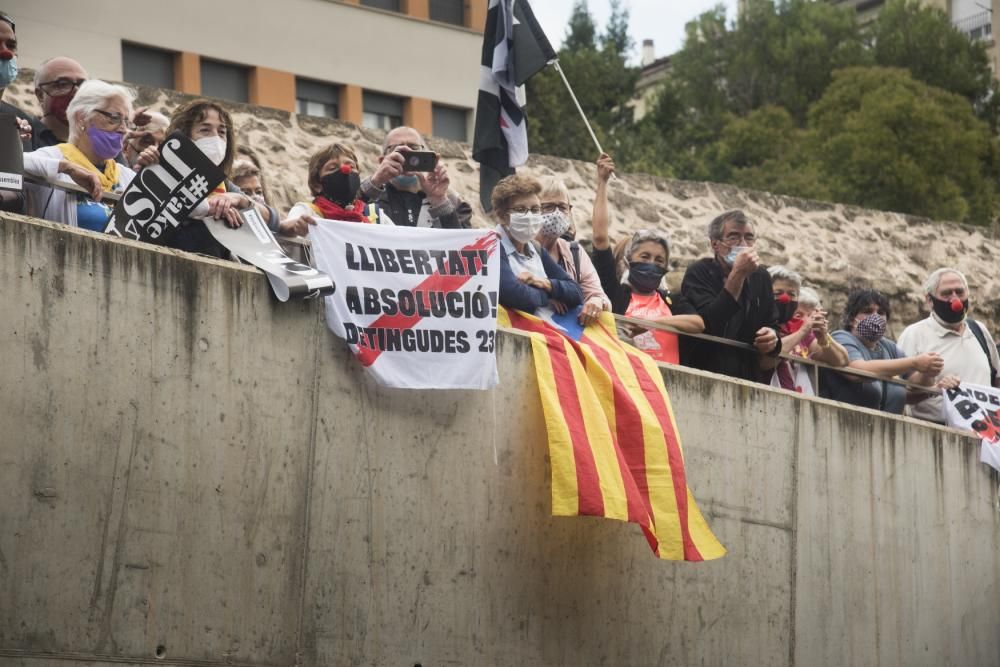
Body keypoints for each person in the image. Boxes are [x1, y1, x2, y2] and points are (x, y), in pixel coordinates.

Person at [132, 99, 282, 257]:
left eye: (222, 132)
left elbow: (272, 219)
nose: (216, 138)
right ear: (183, 135)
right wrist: (211, 212)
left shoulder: (222, 185)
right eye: (205, 130)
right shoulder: (158, 167)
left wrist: (238, 199)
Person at [680, 209, 780, 382]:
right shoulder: (699, 272)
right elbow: (709, 323)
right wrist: (738, 274)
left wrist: (772, 338)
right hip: (702, 373)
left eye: (749, 238)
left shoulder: (761, 276)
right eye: (734, 237)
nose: (743, 244)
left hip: (747, 377)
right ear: (715, 244)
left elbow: (772, 324)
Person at [22, 80, 136, 230]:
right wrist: (67, 167)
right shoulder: (54, 157)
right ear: (82, 117)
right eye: (114, 117)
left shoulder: (127, 176)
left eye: (126, 121)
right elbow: (10, 162)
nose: (123, 129)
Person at [898, 268, 1000, 423]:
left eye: (959, 292)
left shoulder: (979, 330)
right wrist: (935, 388)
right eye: (946, 294)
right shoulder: (914, 334)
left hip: (986, 435)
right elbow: (901, 393)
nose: (955, 300)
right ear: (929, 300)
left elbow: (996, 380)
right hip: (937, 432)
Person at [819, 288, 943, 414]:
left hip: (890, 429)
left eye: (881, 312)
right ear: (851, 319)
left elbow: (915, 383)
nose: (875, 316)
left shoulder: (890, 348)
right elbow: (857, 371)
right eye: (868, 311)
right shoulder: (841, 338)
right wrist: (914, 363)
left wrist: (928, 369)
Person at [593, 228, 704, 364]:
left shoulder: (670, 300)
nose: (652, 263)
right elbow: (600, 239)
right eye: (645, 257)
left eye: (659, 260)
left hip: (667, 380)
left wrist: (652, 323)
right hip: (628, 375)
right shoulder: (617, 295)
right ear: (629, 259)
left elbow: (697, 323)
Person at [492, 174, 582, 314]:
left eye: (535, 209)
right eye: (520, 210)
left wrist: (543, 283)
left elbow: (576, 292)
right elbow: (514, 295)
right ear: (502, 216)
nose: (529, 216)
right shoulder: (492, 246)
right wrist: (548, 295)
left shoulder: (535, 248)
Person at [358, 126, 471, 229]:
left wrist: (439, 201)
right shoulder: (369, 197)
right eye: (398, 150)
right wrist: (375, 181)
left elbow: (465, 247)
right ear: (382, 161)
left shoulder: (453, 202)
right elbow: (343, 213)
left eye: (414, 148)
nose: (406, 156)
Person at [536, 172, 610, 326]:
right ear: (534, 209)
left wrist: (596, 301)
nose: (556, 213)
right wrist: (546, 298)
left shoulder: (575, 252)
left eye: (562, 207)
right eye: (548, 206)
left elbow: (600, 297)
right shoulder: (521, 247)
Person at [767, 266, 848, 393]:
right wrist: (803, 331)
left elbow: (842, 360)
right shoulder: (764, 323)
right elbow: (767, 360)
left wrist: (823, 337)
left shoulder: (805, 336)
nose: (785, 298)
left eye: (791, 294)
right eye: (778, 293)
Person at [283, 142, 385, 237]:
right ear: (317, 185)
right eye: (332, 168)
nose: (345, 170)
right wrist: (297, 225)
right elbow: (284, 226)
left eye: (351, 166)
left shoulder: (375, 216)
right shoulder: (307, 211)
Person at [29, 56, 88, 151]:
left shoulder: (98, 145)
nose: (77, 92)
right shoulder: (23, 138)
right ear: (40, 95)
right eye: (63, 84)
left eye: (83, 85)